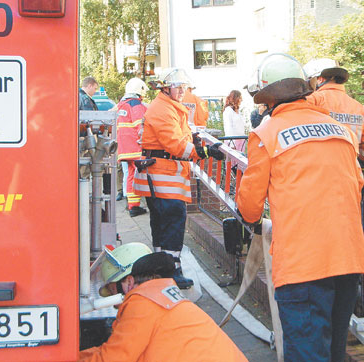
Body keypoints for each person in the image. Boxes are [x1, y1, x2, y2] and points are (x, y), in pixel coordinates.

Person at [237, 53, 364, 362]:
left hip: (303, 265)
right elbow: (356, 184)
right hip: (348, 259)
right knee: (335, 351)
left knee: (307, 352)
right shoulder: (340, 130)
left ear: (268, 101)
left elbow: (251, 207)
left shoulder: (265, 134)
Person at [133, 68, 224, 289]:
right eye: (178, 87)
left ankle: (160, 269)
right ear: (166, 87)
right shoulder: (163, 109)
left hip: (163, 176)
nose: (183, 91)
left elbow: (178, 137)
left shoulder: (168, 106)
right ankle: (171, 271)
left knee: (162, 225)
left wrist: (194, 140)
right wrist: (205, 152)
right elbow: (175, 145)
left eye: (185, 87)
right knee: (172, 224)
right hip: (163, 177)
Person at [79, 250, 248, 362]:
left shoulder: (142, 302)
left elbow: (113, 358)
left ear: (129, 282)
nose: (115, 304)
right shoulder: (164, 297)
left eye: (112, 289)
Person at [304, 58, 364, 161]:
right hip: (351, 170)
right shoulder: (359, 108)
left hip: (319, 167)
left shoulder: (312, 101)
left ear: (320, 79)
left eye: (310, 80)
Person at [116, 78, 149, 217]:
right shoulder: (135, 104)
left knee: (131, 175)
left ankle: (133, 206)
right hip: (135, 147)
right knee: (142, 174)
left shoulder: (122, 104)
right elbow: (140, 124)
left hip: (125, 149)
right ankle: (148, 203)